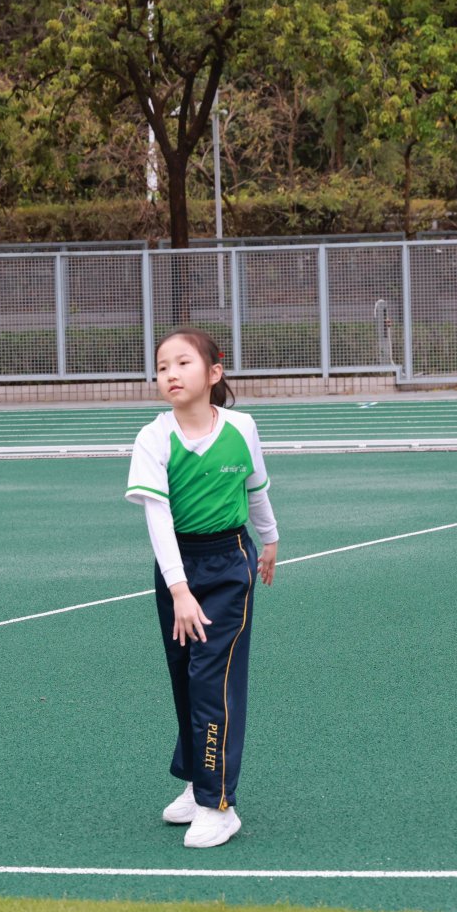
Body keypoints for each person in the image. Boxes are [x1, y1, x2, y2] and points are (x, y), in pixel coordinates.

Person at [126, 327, 279, 849]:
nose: (170, 373)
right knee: (185, 678)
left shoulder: (241, 427)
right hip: (178, 567)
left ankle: (219, 804)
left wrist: (270, 539)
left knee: (213, 680)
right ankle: (198, 784)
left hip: (229, 562)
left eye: (183, 362)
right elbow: (158, 518)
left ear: (214, 373)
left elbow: (255, 487)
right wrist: (179, 590)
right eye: (162, 366)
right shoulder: (153, 438)